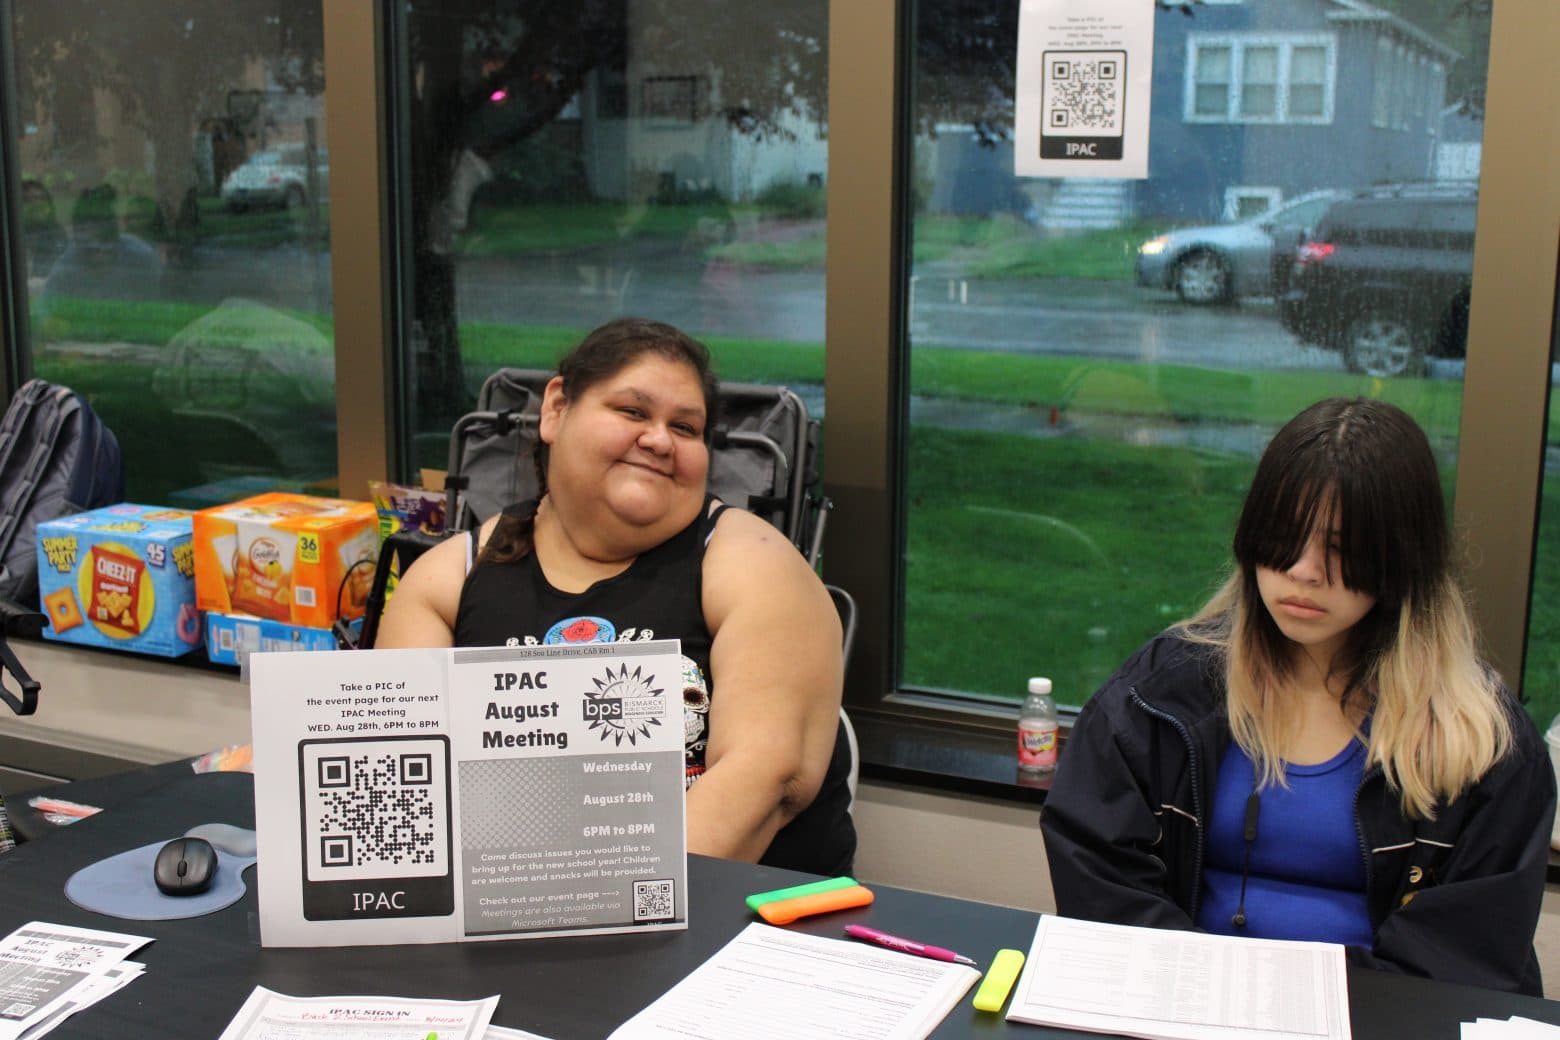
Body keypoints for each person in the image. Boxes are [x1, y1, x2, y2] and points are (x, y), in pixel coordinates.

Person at [1041, 397, 1555, 995]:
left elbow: (1456, 962)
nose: (1305, 571)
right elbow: (1100, 880)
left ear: (1402, 561)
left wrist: (1282, 1005)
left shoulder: (1488, 749)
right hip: (1182, 1009)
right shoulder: (1158, 696)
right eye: (1285, 537)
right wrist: (1201, 998)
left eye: (1340, 549)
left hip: (1378, 1024)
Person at [377, 317, 855, 875]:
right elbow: (403, 779)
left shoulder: (756, 566)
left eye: (686, 428)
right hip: (500, 915)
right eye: (633, 412)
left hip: (734, 932)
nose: (658, 440)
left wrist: (581, 906)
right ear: (556, 408)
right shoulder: (445, 580)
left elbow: (766, 778)